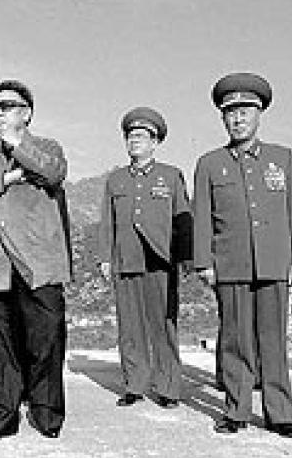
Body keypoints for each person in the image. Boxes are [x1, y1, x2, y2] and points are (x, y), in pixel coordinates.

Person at [193, 72, 292, 437]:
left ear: (259, 115)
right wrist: (204, 262)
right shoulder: (209, 163)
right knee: (236, 342)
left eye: (245, 111)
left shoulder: (283, 158)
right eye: (231, 113)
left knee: (274, 343)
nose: (238, 119)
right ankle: (236, 410)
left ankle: (280, 413)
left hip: (274, 264)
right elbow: (202, 219)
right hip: (231, 265)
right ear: (223, 118)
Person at [0, 79, 71, 440]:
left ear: (27, 113)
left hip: (38, 260)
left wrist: (18, 146)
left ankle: (45, 411)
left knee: (45, 340)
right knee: (0, 344)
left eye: (6, 107)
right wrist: (7, 177)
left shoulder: (46, 148)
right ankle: (4, 412)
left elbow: (54, 173)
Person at [98, 107, 192, 410]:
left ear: (155, 142)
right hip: (127, 259)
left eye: (141, 136)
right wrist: (105, 257)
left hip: (161, 260)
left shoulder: (171, 176)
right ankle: (134, 385)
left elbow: (183, 219)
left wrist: (185, 257)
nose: (134, 141)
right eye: (130, 136)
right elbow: (107, 222)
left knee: (163, 327)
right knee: (130, 328)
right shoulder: (115, 179)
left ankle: (168, 387)